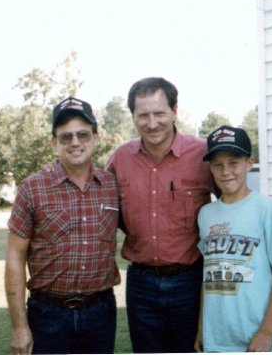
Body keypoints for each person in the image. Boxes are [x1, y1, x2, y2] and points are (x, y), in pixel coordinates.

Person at [106, 77, 217, 353]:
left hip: (190, 281)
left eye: (159, 113)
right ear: (133, 116)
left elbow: (234, 204)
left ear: (175, 111)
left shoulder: (202, 154)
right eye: (143, 115)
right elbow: (107, 213)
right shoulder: (120, 159)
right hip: (141, 283)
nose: (152, 123)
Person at [4, 97, 120, 355]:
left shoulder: (112, 185)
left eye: (83, 134)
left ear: (96, 137)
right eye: (66, 137)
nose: (75, 142)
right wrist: (19, 327)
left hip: (101, 313)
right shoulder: (32, 188)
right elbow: (14, 257)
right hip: (47, 315)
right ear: (54, 142)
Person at [194, 125, 272, 352]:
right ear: (210, 168)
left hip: (259, 339)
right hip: (218, 338)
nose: (226, 171)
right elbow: (208, 275)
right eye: (218, 165)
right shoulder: (206, 214)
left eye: (234, 163)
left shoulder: (267, 210)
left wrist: (266, 333)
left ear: (249, 163)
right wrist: (202, 329)